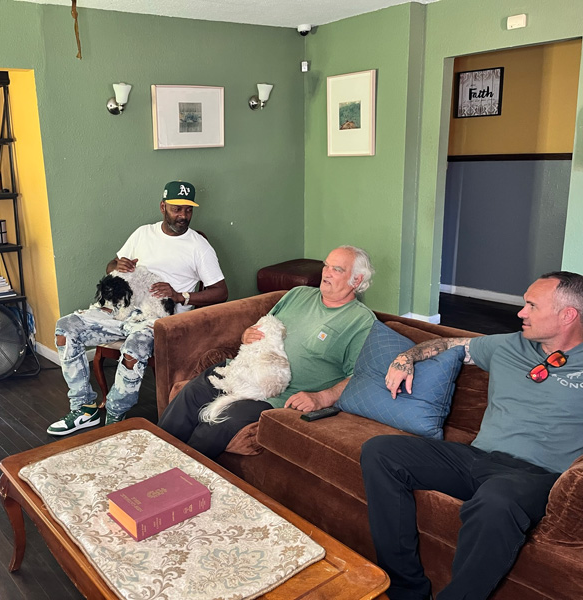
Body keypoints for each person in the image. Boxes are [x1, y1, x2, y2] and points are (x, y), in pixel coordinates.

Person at [361, 271, 583, 600]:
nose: (520, 313)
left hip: (537, 476)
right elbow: (445, 345)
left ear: (568, 315)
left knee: (497, 499)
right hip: (476, 458)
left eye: (532, 306)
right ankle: (406, 590)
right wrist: (405, 358)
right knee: (381, 452)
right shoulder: (507, 345)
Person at [159, 245, 376, 459]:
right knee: (191, 394)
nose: (326, 272)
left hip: (276, 396)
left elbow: (361, 376)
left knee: (221, 421)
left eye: (337, 269)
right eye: (326, 265)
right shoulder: (298, 294)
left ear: (356, 280)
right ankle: (152, 458)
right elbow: (264, 325)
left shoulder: (361, 321)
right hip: (241, 372)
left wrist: (322, 397)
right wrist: (247, 335)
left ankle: (180, 479)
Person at [48, 181, 228, 435]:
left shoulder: (198, 245)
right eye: (177, 209)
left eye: (188, 211)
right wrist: (116, 265)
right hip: (123, 308)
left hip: (161, 319)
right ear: (163, 207)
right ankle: (84, 408)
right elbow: (111, 265)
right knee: (65, 329)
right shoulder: (143, 233)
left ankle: (114, 415)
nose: (183, 216)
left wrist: (180, 295)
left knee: (134, 348)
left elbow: (221, 292)